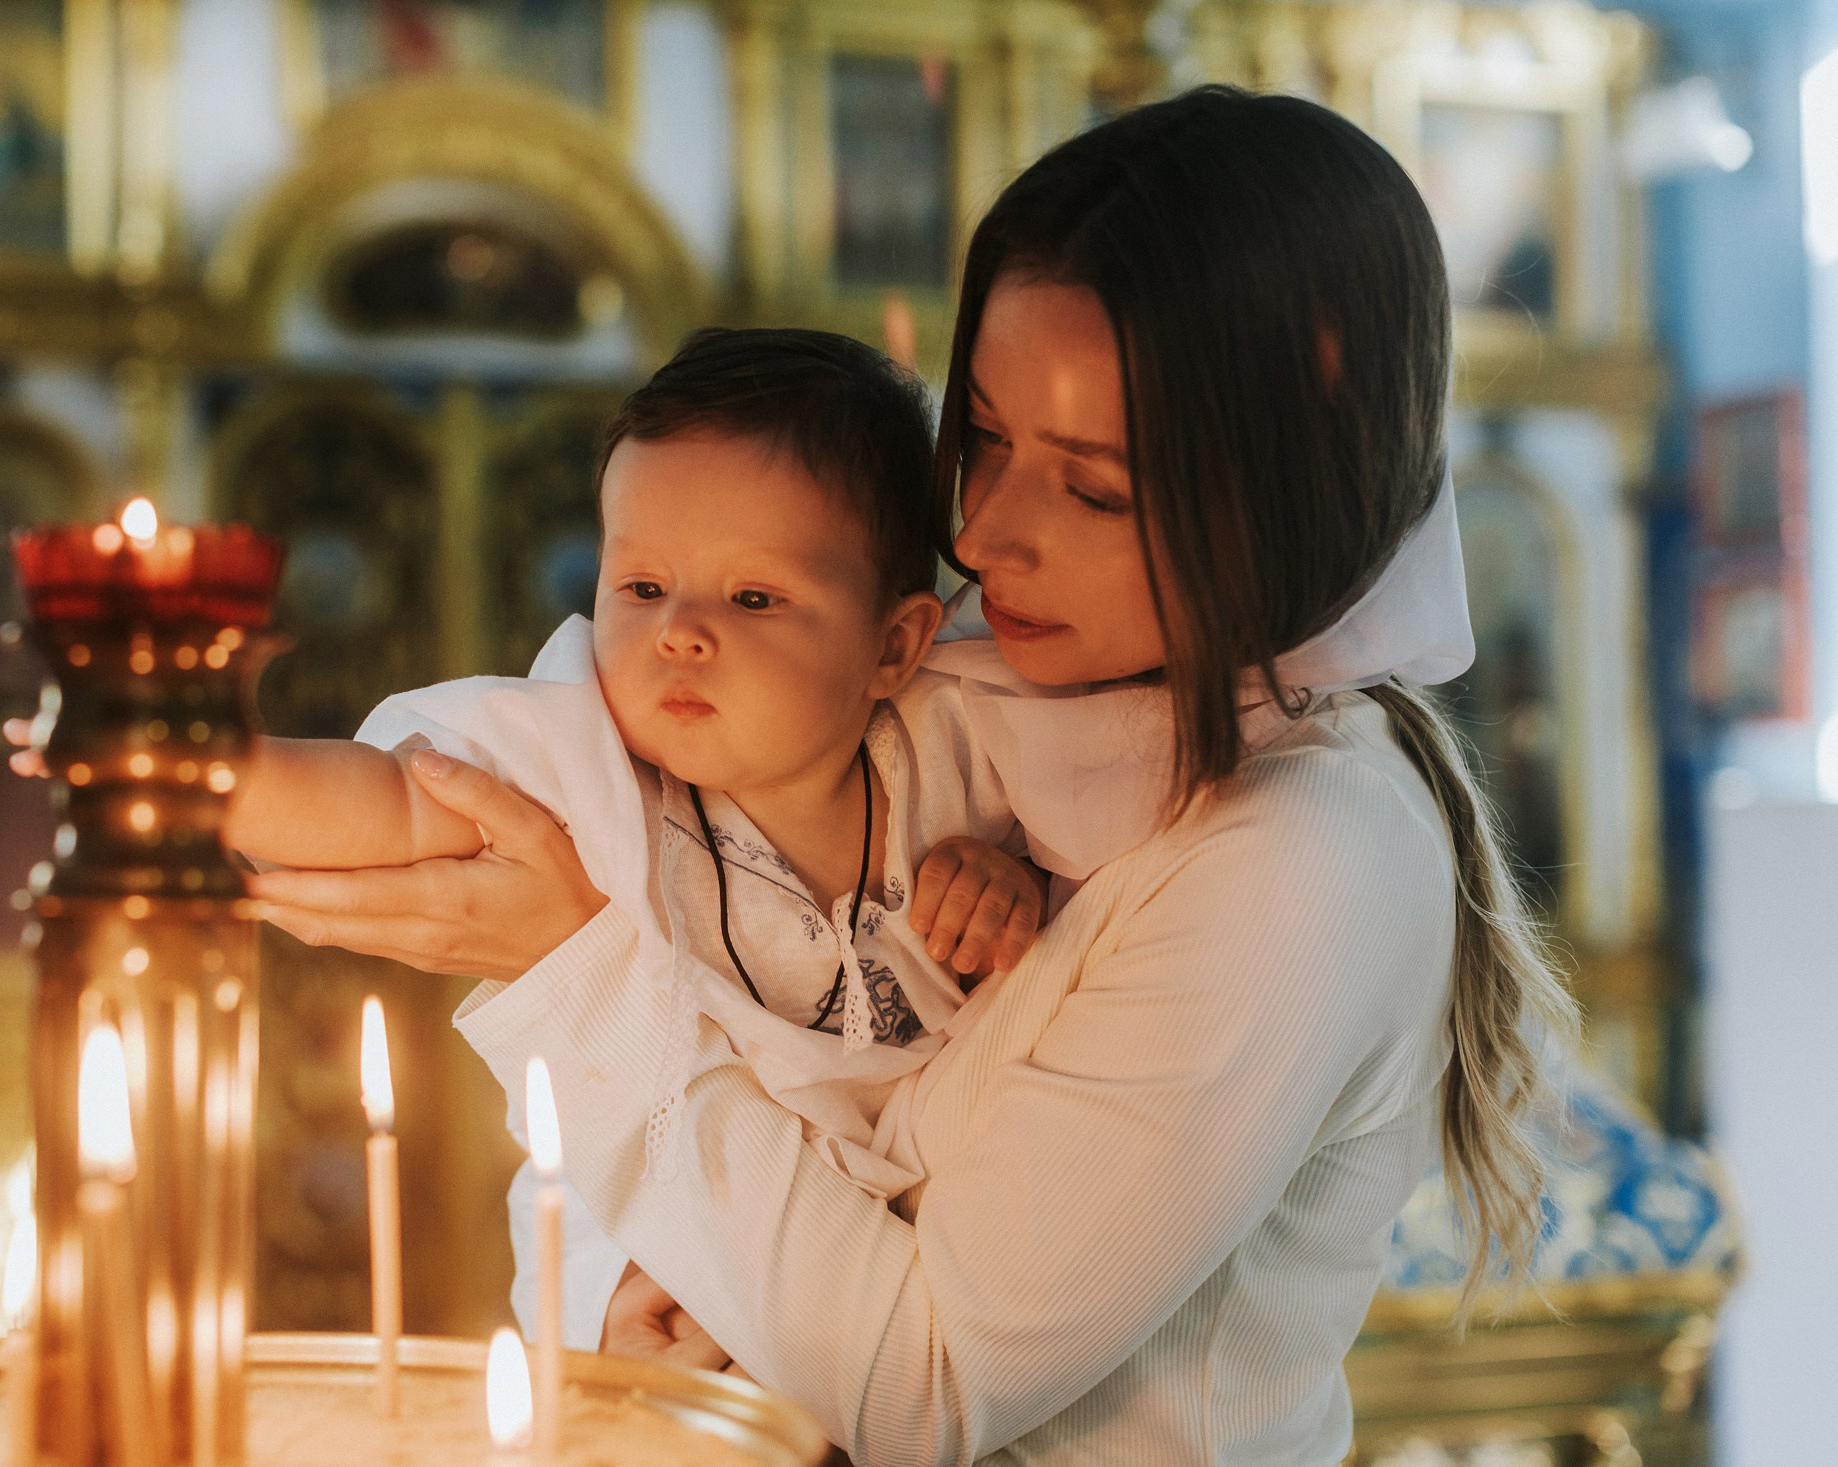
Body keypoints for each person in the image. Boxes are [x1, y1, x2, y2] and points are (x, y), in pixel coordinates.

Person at [249, 86, 1577, 1465]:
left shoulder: (1305, 856)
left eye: (1097, 488)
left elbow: (920, 1387)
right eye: (985, 439)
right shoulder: (1006, 691)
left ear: (1286, 479)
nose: (986, 532)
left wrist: (574, 967)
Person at [218, 327, 1051, 1342]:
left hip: (910, 1250)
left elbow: (1086, 864)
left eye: (753, 598)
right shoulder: (589, 765)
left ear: (893, 644)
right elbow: (395, 804)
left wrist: (1001, 880)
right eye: (643, 588)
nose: (679, 632)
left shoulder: (967, 746)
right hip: (652, 1236)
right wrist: (203, 772)